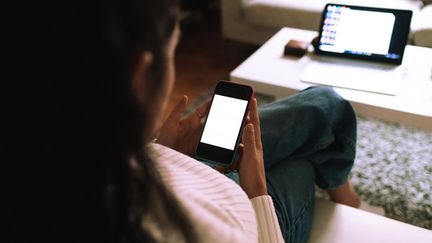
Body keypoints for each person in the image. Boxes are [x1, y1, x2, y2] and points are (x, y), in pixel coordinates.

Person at [5, 0, 361, 242]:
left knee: (318, 107)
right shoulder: (204, 231)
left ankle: (337, 184)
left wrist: (158, 151)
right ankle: (342, 193)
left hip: (167, 168)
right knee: (315, 127)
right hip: (242, 211)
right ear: (137, 76)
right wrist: (256, 192)